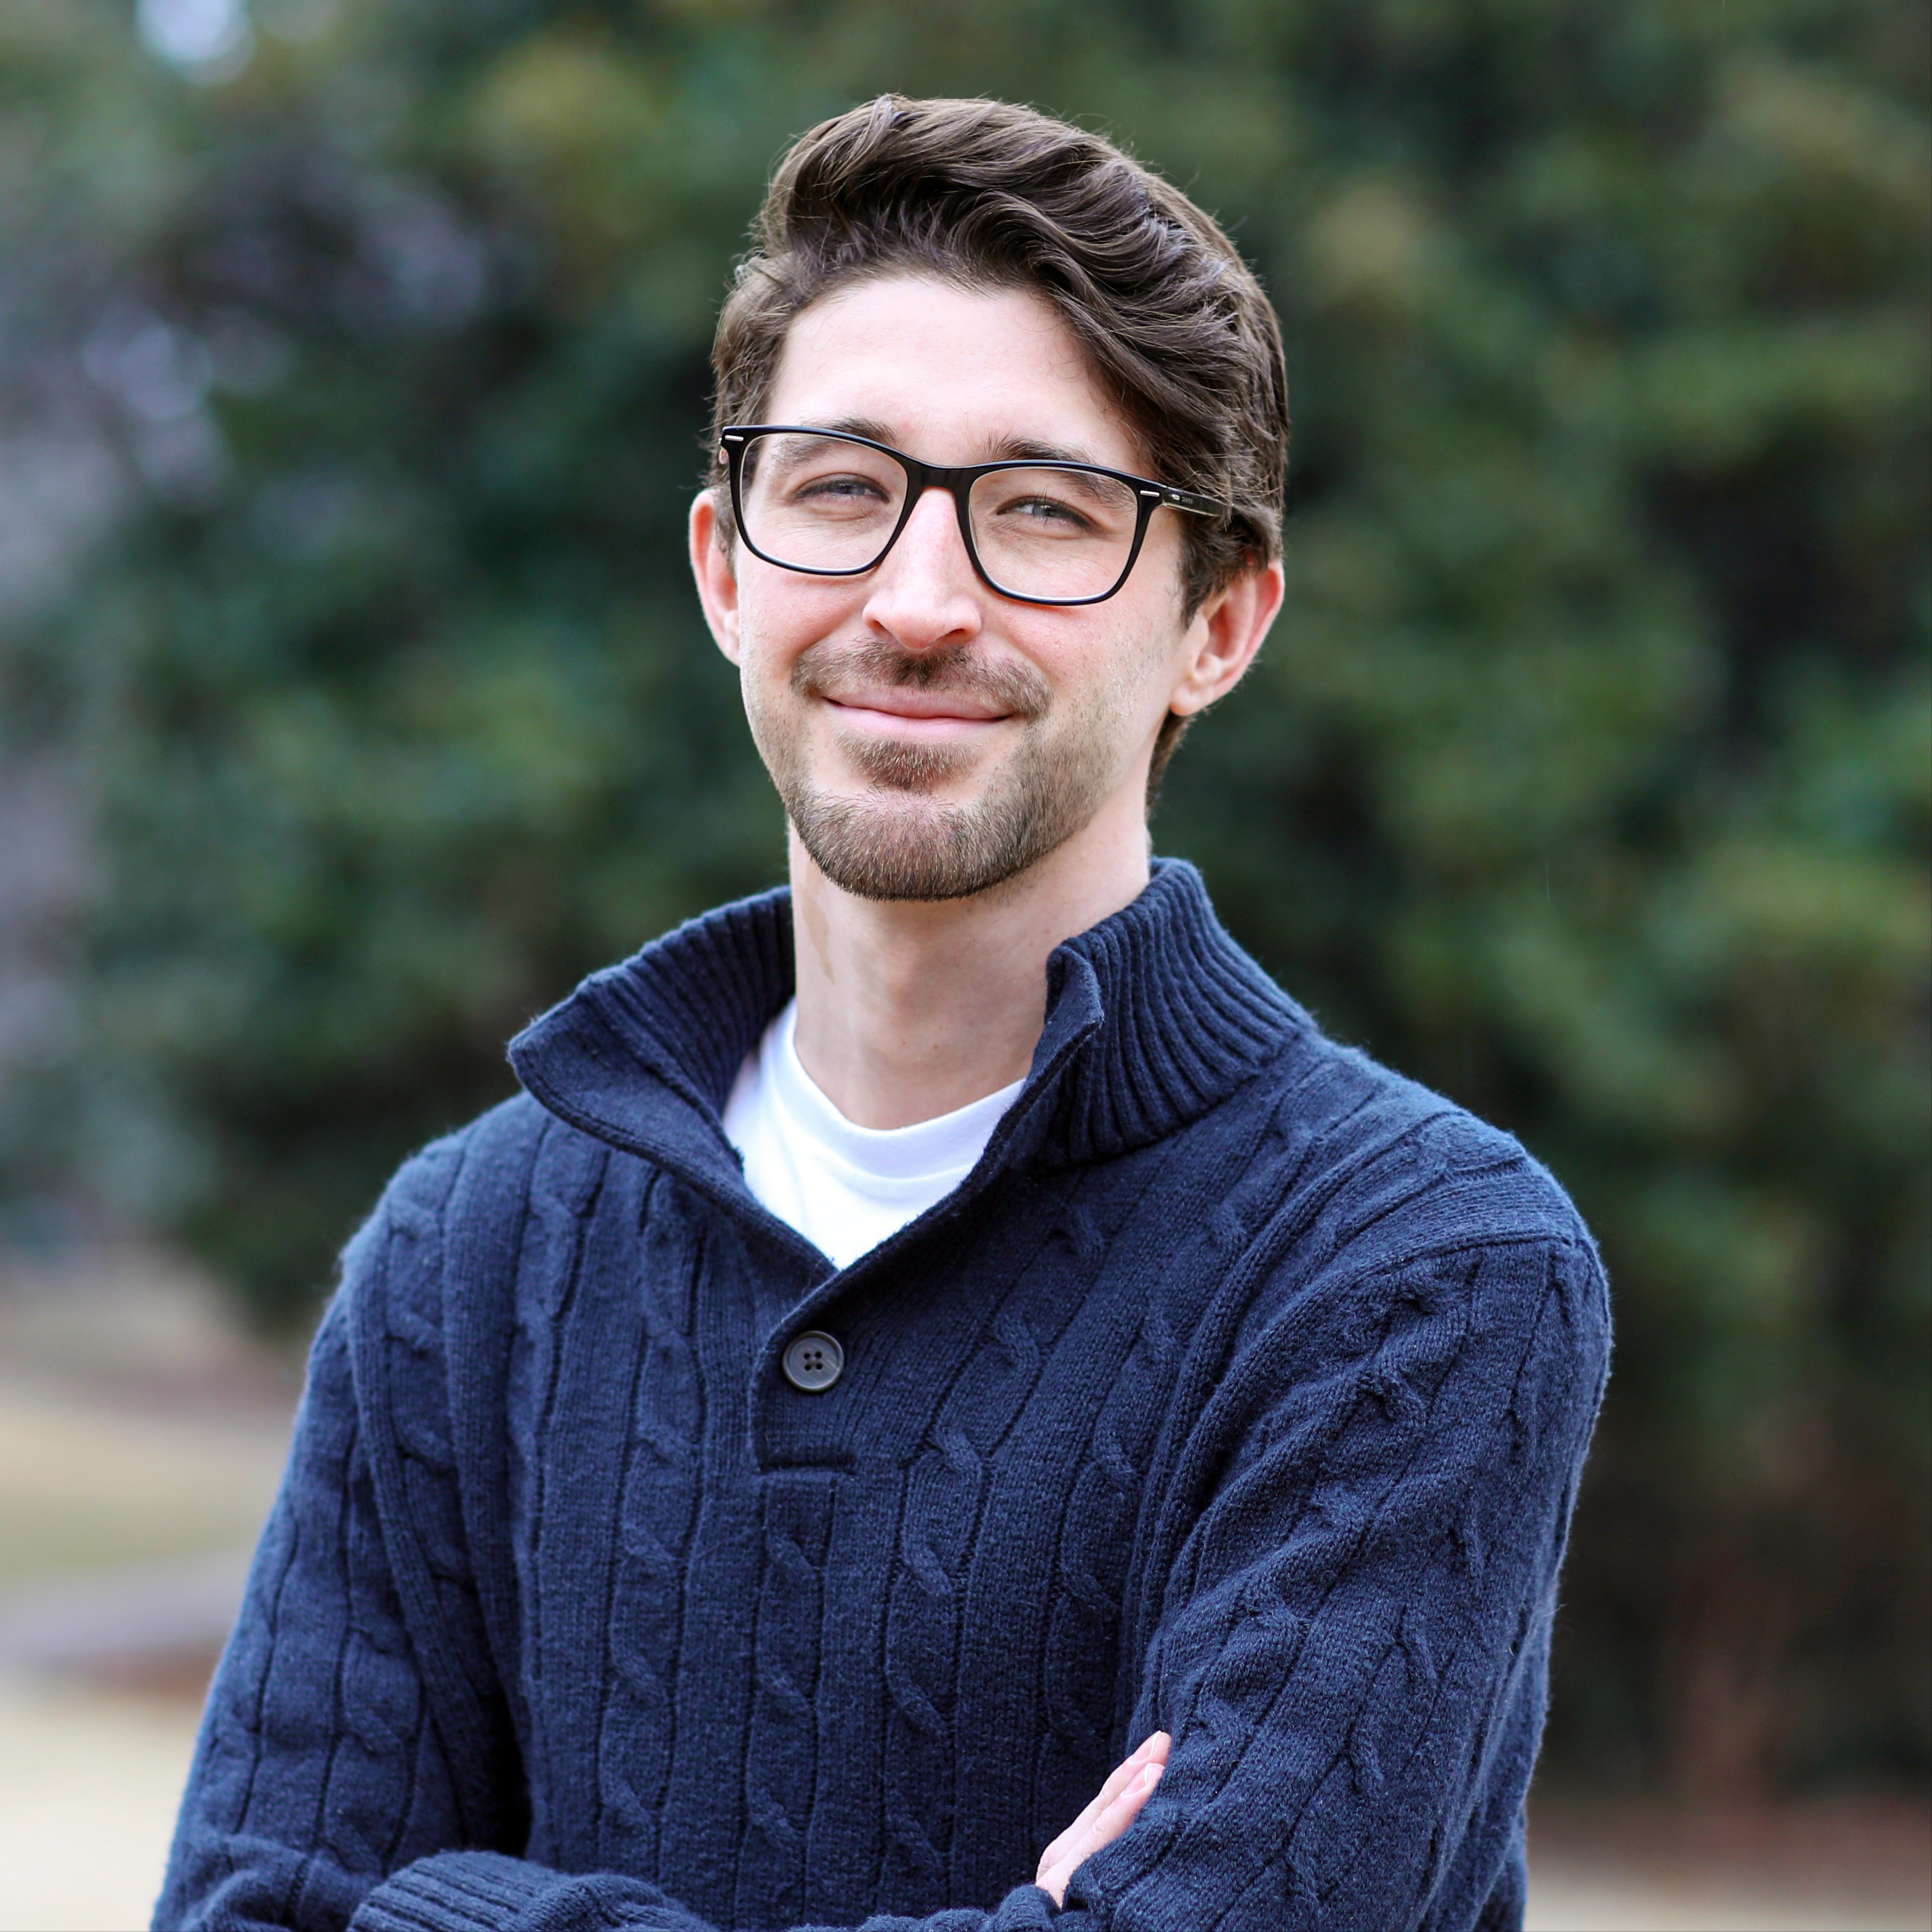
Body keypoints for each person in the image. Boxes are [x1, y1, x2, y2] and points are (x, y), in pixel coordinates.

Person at [156, 94, 1610, 1932]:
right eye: (842, 489)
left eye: (1041, 512)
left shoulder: (1419, 1271)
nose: (919, 603)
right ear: (723, 565)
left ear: (1219, 625)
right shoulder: (471, 1250)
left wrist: (447, 1910)